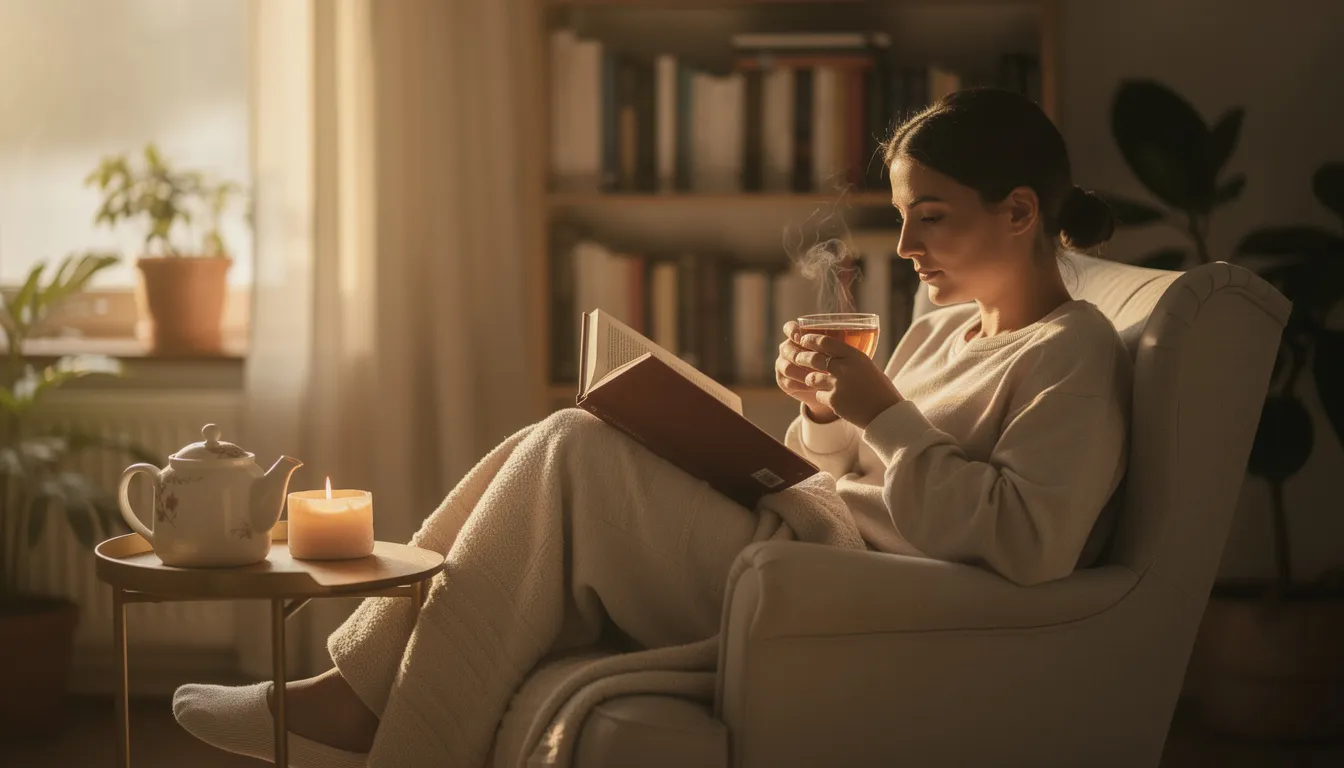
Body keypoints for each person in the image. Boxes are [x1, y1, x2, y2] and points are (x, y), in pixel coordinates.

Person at [172, 87, 1131, 768]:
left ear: (1019, 212)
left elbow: (1028, 541)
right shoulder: (947, 325)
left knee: (574, 449)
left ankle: (354, 706)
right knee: (572, 435)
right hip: (816, 543)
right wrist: (826, 418)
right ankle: (354, 696)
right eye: (899, 216)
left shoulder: (1071, 354)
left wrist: (884, 411)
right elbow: (855, 476)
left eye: (932, 218)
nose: (908, 246)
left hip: (849, 593)